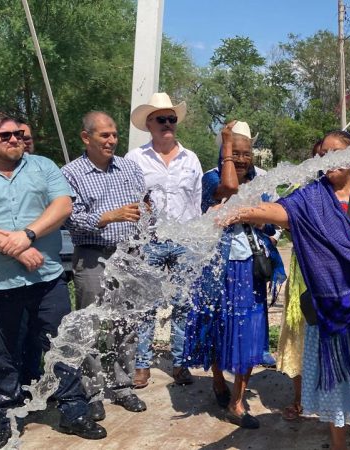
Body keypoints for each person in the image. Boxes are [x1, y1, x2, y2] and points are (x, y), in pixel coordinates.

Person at [229, 130, 350, 450]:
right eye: (323, 154)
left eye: (336, 153)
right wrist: (241, 210)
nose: (329, 160)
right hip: (336, 300)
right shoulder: (311, 197)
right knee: (339, 373)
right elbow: (280, 212)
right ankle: (338, 440)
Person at [0, 112, 106, 448]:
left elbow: (63, 204)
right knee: (2, 354)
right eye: (5, 136)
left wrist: (27, 235)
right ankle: (6, 414)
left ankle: (73, 409)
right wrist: (12, 248)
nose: (15, 140)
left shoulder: (42, 165)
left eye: (18, 133)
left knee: (62, 345)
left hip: (47, 279)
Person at [183, 120, 284, 429]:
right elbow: (227, 189)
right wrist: (226, 147)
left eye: (246, 153)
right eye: (235, 152)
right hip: (218, 268)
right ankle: (217, 380)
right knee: (216, 327)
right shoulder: (211, 178)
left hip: (249, 268)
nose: (241, 159)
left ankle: (237, 402)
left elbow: (271, 223)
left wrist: (259, 220)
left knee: (250, 332)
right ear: (224, 151)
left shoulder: (263, 180)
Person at [61, 111, 148, 421]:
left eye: (114, 135)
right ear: (87, 138)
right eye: (104, 135)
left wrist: (148, 213)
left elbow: (145, 206)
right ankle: (93, 391)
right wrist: (109, 216)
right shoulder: (71, 173)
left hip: (128, 256)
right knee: (90, 327)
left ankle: (124, 386)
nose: (112, 140)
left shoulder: (129, 168)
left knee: (126, 325)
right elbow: (69, 218)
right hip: (91, 256)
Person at [126, 93, 203, 388]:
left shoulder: (191, 158)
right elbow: (130, 200)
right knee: (146, 304)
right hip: (151, 240)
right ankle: (142, 364)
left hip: (184, 239)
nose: (168, 124)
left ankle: (181, 363)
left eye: (171, 119)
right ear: (149, 124)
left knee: (183, 304)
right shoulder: (135, 158)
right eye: (162, 119)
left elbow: (196, 203)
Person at [277, 138, 323, 421]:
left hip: (333, 272)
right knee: (299, 331)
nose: (324, 162)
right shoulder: (300, 190)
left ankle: (329, 396)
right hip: (303, 270)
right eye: (319, 156)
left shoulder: (346, 192)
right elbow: (285, 224)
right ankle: (300, 398)